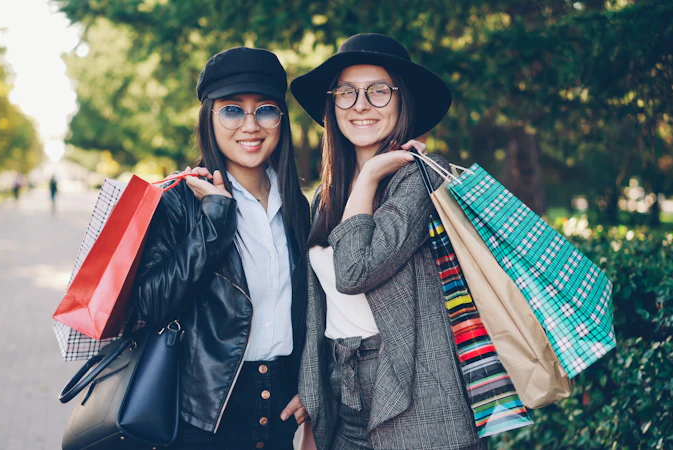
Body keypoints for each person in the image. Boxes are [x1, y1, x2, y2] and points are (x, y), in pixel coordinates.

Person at [290, 33, 486, 449]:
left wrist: (371, 174)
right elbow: (319, 312)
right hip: (343, 393)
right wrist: (312, 395)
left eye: (378, 91)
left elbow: (354, 271)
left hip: (418, 398)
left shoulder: (419, 178)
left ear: (402, 101)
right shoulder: (325, 196)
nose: (360, 104)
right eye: (346, 91)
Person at [130, 47, 311, 450]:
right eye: (232, 109)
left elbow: (312, 307)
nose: (250, 125)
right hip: (202, 415)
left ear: (281, 119)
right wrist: (214, 221)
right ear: (209, 118)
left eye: (265, 109)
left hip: (281, 408)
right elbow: (150, 303)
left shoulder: (298, 206)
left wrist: (309, 384)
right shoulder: (180, 199)